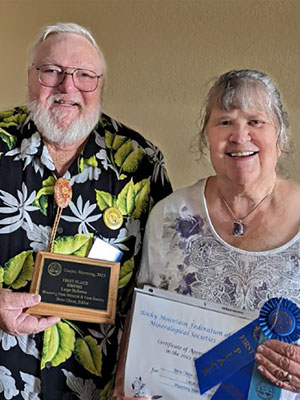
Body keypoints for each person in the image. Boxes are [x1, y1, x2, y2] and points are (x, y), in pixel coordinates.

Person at [0, 22, 172, 399]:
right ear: (31, 77)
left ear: (101, 85)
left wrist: (141, 378)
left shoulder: (140, 164)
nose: (67, 87)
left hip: (96, 388)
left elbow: (159, 285)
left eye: (84, 75)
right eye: (52, 72)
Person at [137, 69, 300, 398]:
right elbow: (142, 317)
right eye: (225, 122)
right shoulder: (168, 216)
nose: (240, 136)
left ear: (280, 137)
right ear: (206, 138)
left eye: (256, 121)